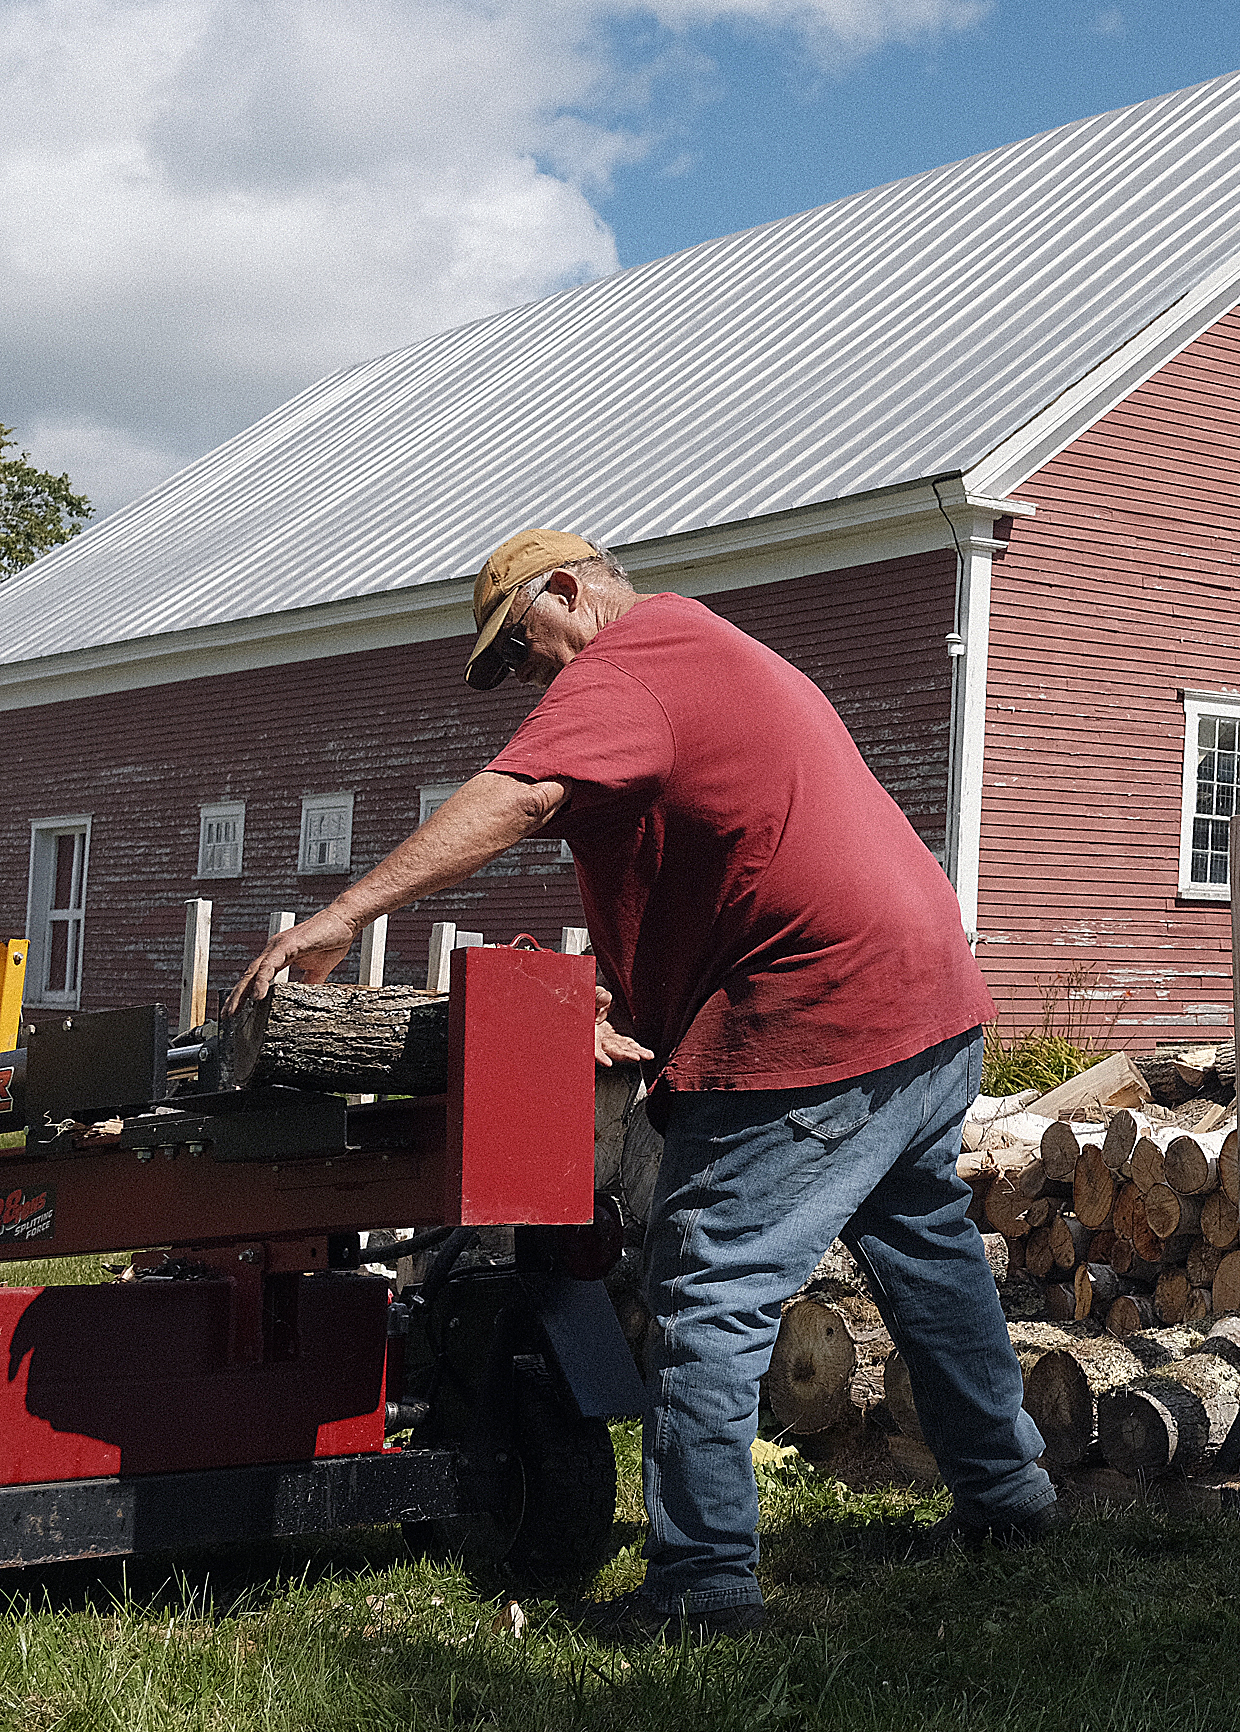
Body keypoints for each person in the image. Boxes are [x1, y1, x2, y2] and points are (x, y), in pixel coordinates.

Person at [231, 527, 1056, 1637]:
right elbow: (723, 849)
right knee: (930, 1253)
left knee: (709, 1287)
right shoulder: (707, 648)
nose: (527, 678)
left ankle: (704, 1590)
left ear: (565, 589)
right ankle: (1008, 1501)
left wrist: (337, 917)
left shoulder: (629, 662)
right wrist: (631, 1002)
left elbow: (519, 795)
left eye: (521, 647)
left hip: (818, 1008)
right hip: (925, 995)